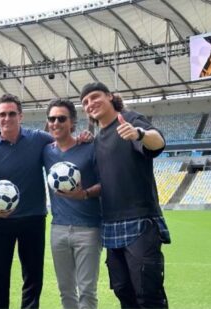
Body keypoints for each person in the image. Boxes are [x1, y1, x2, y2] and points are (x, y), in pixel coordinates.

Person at [80, 82, 171, 309]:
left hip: (140, 222)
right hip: (111, 224)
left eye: (95, 96)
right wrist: (83, 193)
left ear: (110, 96)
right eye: (85, 102)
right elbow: (105, 182)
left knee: (147, 293)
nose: (91, 104)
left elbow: (158, 142)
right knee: (123, 291)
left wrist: (138, 134)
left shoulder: (129, 119)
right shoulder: (98, 140)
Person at [0, 93, 54, 309]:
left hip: (33, 219)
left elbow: (64, 144)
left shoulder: (39, 139)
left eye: (12, 113)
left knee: (33, 277)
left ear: (20, 116)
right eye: (2, 114)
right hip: (1, 222)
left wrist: (83, 137)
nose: (7, 118)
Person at [42, 98, 102, 309]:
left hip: (89, 229)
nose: (56, 123)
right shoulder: (46, 151)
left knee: (87, 291)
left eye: (61, 118)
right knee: (66, 290)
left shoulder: (90, 147)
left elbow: (106, 183)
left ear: (72, 123)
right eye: (52, 118)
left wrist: (84, 194)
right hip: (58, 228)